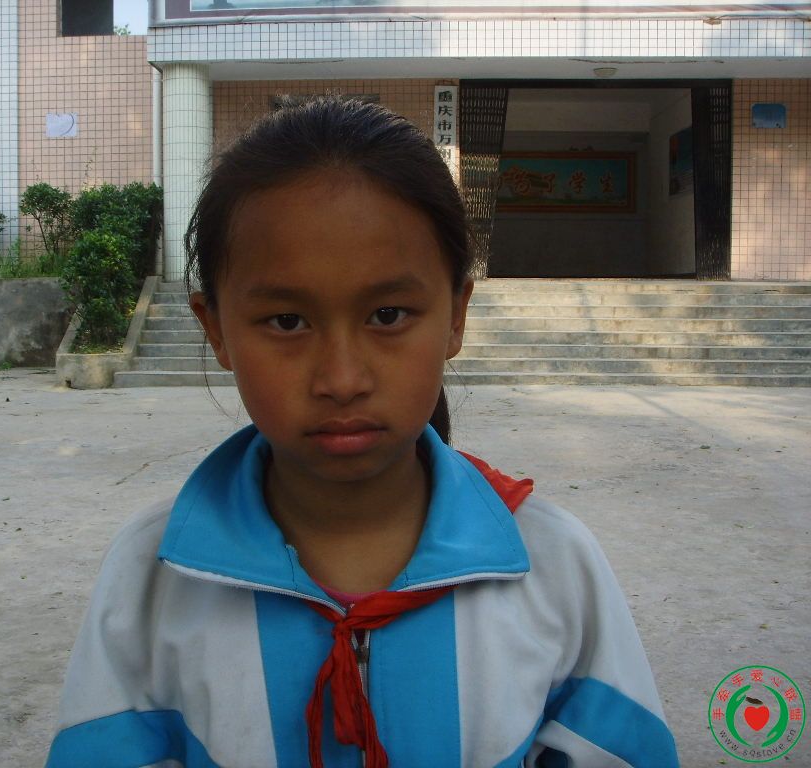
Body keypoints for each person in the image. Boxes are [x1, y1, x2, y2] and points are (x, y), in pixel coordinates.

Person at [45, 96, 679, 768]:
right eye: (287, 322)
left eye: (388, 314)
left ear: (456, 317)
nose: (342, 379)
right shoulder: (152, 578)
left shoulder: (552, 566)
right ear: (216, 329)